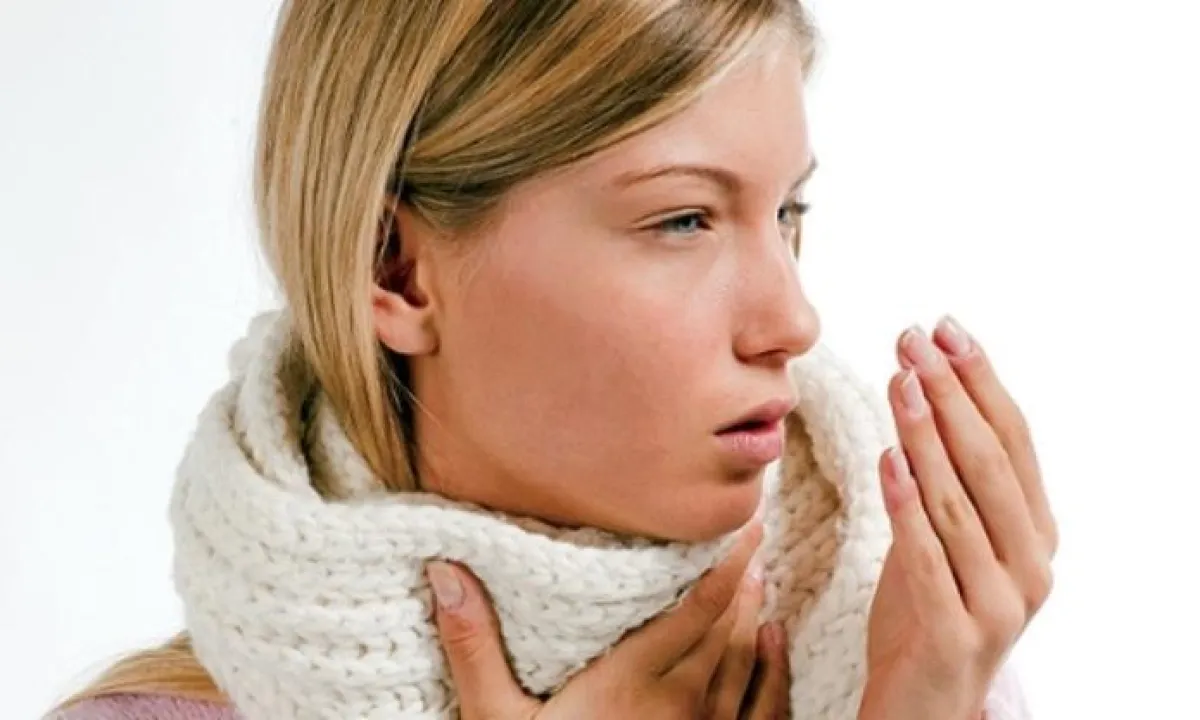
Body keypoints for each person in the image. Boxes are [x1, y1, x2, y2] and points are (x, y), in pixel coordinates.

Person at [52, 0, 1055, 718]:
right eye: (684, 219)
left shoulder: (901, 654)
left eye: (788, 211)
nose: (792, 318)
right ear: (395, 269)